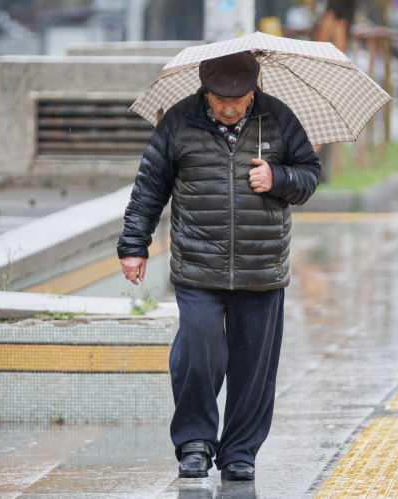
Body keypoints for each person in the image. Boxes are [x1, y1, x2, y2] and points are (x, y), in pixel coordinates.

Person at [116, 51, 321, 481]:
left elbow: (309, 176)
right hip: (198, 266)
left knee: (254, 367)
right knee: (198, 351)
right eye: (219, 99)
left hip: (261, 268)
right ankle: (194, 442)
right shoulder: (178, 122)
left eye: (238, 99)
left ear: (254, 90)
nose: (228, 107)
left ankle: (240, 452)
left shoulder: (279, 119)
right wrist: (134, 245)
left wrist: (278, 179)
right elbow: (149, 188)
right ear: (205, 92)